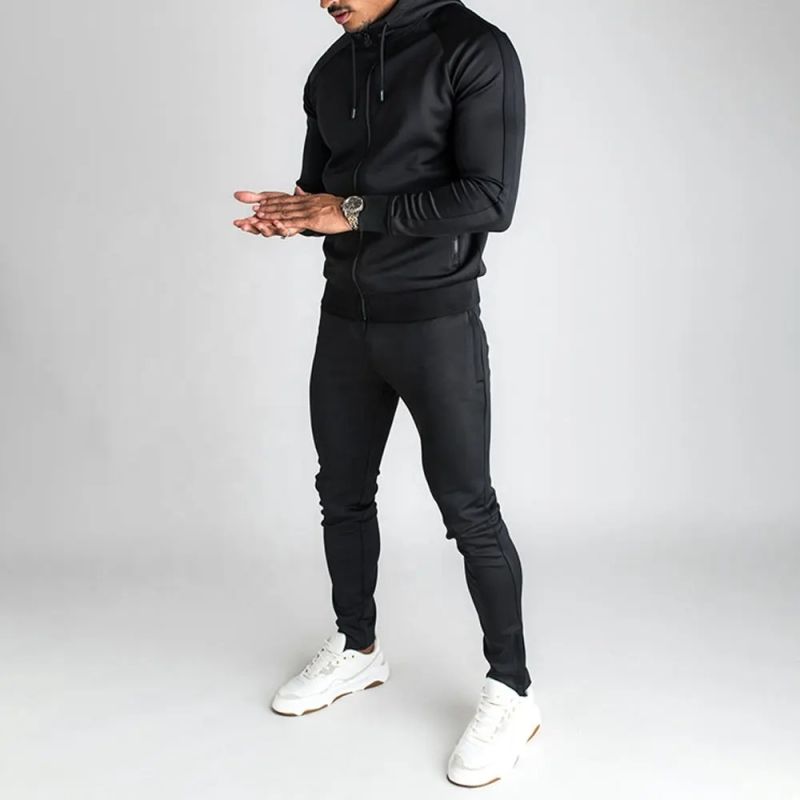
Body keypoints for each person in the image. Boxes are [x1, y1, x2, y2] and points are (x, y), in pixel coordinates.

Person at [232, 0, 540, 787]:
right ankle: (357, 646)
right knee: (341, 492)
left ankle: (512, 690)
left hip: (435, 324)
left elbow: (490, 200)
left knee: (468, 508)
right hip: (346, 321)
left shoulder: (473, 49)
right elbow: (319, 195)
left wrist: (349, 211)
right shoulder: (330, 72)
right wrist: (293, 218)